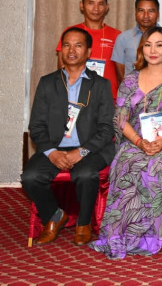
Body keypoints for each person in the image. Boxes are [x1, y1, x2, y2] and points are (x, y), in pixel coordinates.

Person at [90, 27, 162, 259]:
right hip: (136, 140)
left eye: (159, 45)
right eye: (148, 45)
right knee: (126, 164)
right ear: (141, 49)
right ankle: (118, 235)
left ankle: (147, 237)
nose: (153, 50)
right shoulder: (130, 79)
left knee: (155, 166)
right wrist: (138, 142)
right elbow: (121, 119)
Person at [22, 27, 115, 246]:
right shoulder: (47, 83)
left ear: (88, 51)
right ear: (60, 50)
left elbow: (106, 128)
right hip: (54, 148)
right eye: (66, 45)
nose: (71, 50)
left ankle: (84, 224)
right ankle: (54, 216)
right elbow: (36, 126)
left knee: (86, 174)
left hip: (90, 148)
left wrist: (82, 151)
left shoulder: (101, 85)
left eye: (78, 45)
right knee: (30, 177)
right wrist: (52, 153)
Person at [56, 0, 121, 98]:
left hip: (108, 97)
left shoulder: (117, 35)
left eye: (101, 4)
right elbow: (62, 67)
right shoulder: (71, 32)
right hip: (76, 96)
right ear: (82, 5)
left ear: (107, 7)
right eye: (91, 3)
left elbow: (121, 73)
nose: (96, 8)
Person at [112, 0, 162, 81]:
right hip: (132, 88)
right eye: (141, 10)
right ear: (135, 13)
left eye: (151, 11)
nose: (146, 15)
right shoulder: (123, 38)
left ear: (158, 14)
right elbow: (120, 76)